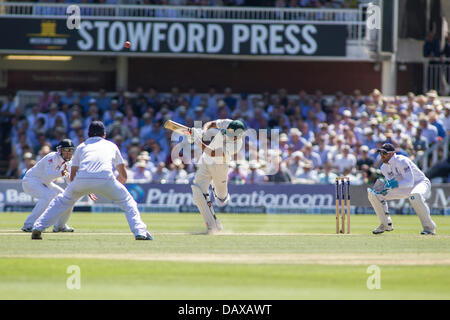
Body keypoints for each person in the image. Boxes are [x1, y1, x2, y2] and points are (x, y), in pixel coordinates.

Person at [31, 121, 153, 240]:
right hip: (106, 179)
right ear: (104, 134)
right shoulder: (111, 145)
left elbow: (73, 176)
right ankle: (140, 232)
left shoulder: (81, 146)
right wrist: (112, 190)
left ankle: (38, 227)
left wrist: (83, 189)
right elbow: (123, 175)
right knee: (128, 202)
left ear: (88, 134)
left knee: (61, 201)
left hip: (81, 180)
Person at [188, 119, 246, 234]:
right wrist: (203, 131)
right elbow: (211, 123)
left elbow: (213, 153)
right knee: (198, 192)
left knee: (221, 199)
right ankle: (212, 226)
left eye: (233, 135)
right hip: (205, 160)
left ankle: (219, 192)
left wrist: (197, 140)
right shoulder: (227, 123)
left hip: (220, 165)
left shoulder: (237, 145)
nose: (230, 136)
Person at [367, 143, 436, 235]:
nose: (382, 156)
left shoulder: (401, 160)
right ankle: (385, 224)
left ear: (392, 154)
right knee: (376, 195)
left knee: (415, 196)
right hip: (404, 188)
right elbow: (393, 182)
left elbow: (409, 182)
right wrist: (385, 187)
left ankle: (429, 228)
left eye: (384, 153)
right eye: (381, 153)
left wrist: (392, 184)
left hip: (420, 183)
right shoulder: (383, 167)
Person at [21, 139, 78, 233]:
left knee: (67, 198)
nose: (69, 153)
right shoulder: (52, 157)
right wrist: (61, 173)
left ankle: (60, 226)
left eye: (71, 150)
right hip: (31, 180)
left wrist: (82, 188)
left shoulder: (69, 162)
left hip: (46, 182)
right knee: (48, 195)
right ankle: (29, 225)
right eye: (66, 150)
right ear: (60, 150)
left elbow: (69, 180)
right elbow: (48, 174)